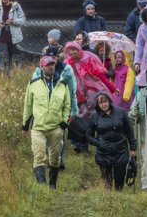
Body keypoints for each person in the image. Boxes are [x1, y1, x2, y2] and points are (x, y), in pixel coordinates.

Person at [22, 56, 71, 189]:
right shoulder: (33, 84)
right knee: (39, 156)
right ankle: (42, 186)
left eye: (52, 64)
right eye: (47, 65)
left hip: (56, 127)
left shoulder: (63, 84)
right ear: (41, 67)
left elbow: (67, 105)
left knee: (55, 158)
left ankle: (52, 184)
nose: (50, 67)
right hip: (38, 127)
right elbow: (28, 106)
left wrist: (64, 123)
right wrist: (25, 126)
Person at [63, 41, 120, 152]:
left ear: (79, 50)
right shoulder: (68, 64)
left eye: (75, 53)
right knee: (79, 119)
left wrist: (112, 88)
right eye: (71, 54)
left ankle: (103, 141)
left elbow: (101, 75)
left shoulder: (89, 57)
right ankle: (81, 143)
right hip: (79, 96)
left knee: (98, 117)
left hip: (93, 94)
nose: (74, 56)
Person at [33, 49, 78, 170]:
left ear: (58, 58)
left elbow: (72, 90)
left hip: (62, 105)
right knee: (47, 134)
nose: (52, 61)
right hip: (44, 107)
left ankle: (58, 159)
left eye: (55, 58)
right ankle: (51, 157)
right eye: (49, 57)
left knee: (59, 133)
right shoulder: (39, 70)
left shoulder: (67, 69)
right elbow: (33, 87)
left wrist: (73, 110)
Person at [86, 91, 137, 191]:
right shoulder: (95, 116)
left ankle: (118, 200)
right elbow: (88, 135)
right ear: (98, 104)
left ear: (109, 101)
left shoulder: (121, 112)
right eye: (100, 103)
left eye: (105, 101)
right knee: (107, 183)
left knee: (119, 181)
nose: (103, 104)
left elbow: (129, 131)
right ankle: (108, 201)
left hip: (121, 151)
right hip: (103, 153)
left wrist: (133, 148)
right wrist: (98, 143)